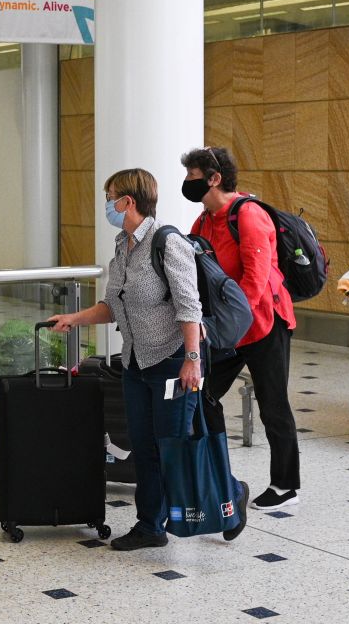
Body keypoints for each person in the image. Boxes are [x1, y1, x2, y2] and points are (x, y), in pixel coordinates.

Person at [48, 168, 248, 550]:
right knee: (144, 445)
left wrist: (193, 360)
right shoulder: (122, 247)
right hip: (136, 363)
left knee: (173, 445)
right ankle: (150, 526)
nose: (107, 203)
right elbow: (112, 304)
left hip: (173, 361)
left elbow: (189, 307)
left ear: (129, 201)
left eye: (111, 196)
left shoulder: (167, 243)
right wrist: (75, 319)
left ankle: (232, 490)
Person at [181, 147, 300, 512]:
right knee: (203, 395)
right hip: (226, 328)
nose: (186, 183)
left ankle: (285, 484)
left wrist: (224, 325)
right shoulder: (203, 221)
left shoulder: (249, 216)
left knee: (273, 404)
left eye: (192, 176)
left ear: (214, 178)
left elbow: (256, 281)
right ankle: (216, 472)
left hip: (265, 323)